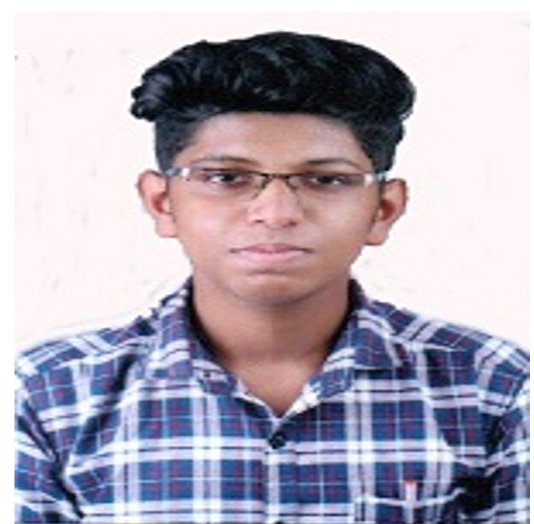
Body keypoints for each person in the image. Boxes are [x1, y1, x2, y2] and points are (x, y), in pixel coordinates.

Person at [15, 31, 529, 524]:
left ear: (383, 209)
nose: (276, 213)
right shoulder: (49, 394)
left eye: (326, 179)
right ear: (161, 202)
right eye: (226, 177)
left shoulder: (494, 387)